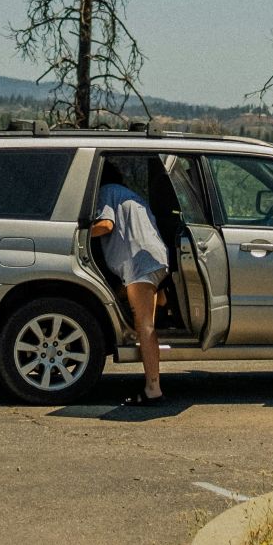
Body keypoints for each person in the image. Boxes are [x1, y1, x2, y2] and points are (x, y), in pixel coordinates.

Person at [90, 162, 171, 405]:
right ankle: (164, 301)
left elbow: (106, 225)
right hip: (156, 259)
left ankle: (153, 389)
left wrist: (78, 232)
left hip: (139, 264)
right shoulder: (131, 196)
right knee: (124, 296)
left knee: (144, 325)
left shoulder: (106, 192)